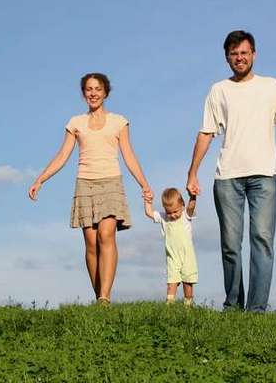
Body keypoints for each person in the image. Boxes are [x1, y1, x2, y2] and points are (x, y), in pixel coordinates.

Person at [186, 30, 276, 312]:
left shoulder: (271, 86)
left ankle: (256, 309)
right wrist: (192, 172)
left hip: (264, 175)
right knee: (231, 244)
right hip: (227, 177)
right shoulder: (219, 90)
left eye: (244, 52)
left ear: (253, 54)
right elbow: (206, 133)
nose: (239, 58)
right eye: (234, 54)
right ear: (227, 58)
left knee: (262, 240)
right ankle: (233, 305)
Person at [28, 72, 152, 306]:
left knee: (106, 235)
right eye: (88, 89)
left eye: (97, 89)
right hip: (85, 183)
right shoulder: (75, 123)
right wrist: (40, 179)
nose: (93, 93)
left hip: (111, 182)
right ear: (84, 94)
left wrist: (144, 184)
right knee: (91, 243)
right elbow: (62, 155)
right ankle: (98, 296)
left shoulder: (119, 122)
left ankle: (105, 297)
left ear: (105, 92)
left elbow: (129, 155)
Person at [144, 188, 198, 305]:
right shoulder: (164, 218)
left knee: (188, 281)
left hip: (187, 256)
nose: (172, 215)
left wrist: (193, 197)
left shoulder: (185, 216)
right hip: (172, 256)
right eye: (169, 212)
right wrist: (147, 200)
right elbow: (149, 213)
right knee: (171, 281)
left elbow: (191, 207)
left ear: (182, 206)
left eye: (175, 212)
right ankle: (170, 304)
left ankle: (188, 304)